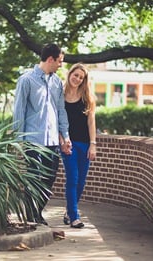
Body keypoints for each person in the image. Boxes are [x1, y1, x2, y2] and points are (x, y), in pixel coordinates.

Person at [13, 43, 72, 225]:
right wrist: (19, 142)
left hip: (52, 140)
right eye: (60, 61)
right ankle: (34, 215)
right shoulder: (26, 80)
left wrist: (65, 135)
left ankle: (35, 210)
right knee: (34, 177)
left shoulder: (56, 82)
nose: (61, 65)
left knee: (50, 178)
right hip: (32, 140)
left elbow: (60, 110)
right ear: (50, 59)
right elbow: (19, 112)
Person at [60, 63, 96, 228]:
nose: (77, 79)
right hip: (69, 143)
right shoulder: (59, 94)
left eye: (81, 77)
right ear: (70, 74)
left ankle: (69, 210)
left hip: (85, 143)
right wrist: (62, 140)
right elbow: (56, 121)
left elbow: (91, 122)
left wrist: (93, 144)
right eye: (76, 75)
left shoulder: (87, 96)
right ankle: (75, 216)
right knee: (72, 179)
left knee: (81, 180)